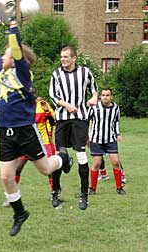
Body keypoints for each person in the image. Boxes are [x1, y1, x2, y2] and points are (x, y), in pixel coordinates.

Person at [0, 2, 72, 236]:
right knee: (5, 176)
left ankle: (63, 157)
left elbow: (16, 48)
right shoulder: (3, 72)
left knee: (45, 169)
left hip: (25, 131)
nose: (4, 55)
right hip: (6, 132)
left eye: (7, 53)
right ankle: (20, 212)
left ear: (17, 58)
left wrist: (13, 21)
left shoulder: (22, 73)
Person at [49, 46, 98, 210]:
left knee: (81, 156)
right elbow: (53, 95)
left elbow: (95, 90)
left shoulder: (85, 72)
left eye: (66, 57)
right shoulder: (56, 74)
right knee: (59, 156)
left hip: (80, 120)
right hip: (63, 120)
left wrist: (93, 99)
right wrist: (68, 105)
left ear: (74, 58)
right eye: (61, 57)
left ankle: (84, 195)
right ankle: (55, 193)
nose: (63, 59)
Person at [2, 88, 57, 207]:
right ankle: (12, 198)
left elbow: (54, 122)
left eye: (32, 93)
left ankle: (55, 193)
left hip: (44, 143)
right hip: (25, 144)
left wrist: (47, 112)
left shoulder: (42, 105)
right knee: (17, 169)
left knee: (48, 170)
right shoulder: (20, 107)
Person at [88, 88, 126, 195]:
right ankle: (92, 189)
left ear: (111, 96)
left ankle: (119, 188)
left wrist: (117, 134)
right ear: (100, 96)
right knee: (97, 163)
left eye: (107, 95)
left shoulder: (116, 108)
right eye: (103, 95)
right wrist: (87, 137)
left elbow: (116, 122)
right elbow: (87, 121)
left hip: (110, 139)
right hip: (96, 139)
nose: (105, 97)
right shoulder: (94, 107)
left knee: (115, 162)